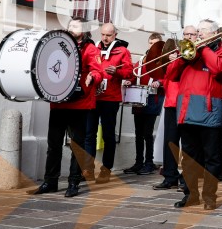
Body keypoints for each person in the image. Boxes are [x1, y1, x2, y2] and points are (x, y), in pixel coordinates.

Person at [167, 19, 222, 210]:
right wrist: (181, 57)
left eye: (203, 31)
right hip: (187, 111)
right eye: (198, 31)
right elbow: (171, 75)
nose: (199, 34)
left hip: (210, 112)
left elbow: (219, 68)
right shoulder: (190, 51)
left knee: (212, 158)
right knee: (189, 158)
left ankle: (209, 196)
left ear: (214, 33)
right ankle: (190, 195)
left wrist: (203, 48)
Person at [30, 17, 102, 197]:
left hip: (79, 103)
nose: (71, 28)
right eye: (70, 25)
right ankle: (50, 181)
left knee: (77, 145)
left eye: (75, 26)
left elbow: (98, 70)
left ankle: (73, 182)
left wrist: (92, 76)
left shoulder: (90, 48)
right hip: (59, 103)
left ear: (84, 30)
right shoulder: (58, 43)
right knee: (53, 144)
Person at [84, 22, 132, 184]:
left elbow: (129, 73)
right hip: (93, 97)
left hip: (110, 99)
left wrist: (117, 72)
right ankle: (88, 169)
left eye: (108, 35)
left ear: (115, 35)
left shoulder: (122, 51)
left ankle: (106, 169)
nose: (105, 38)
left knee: (108, 135)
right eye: (103, 34)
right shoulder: (94, 48)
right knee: (89, 134)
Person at [154, 27, 195, 191]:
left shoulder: (197, 54)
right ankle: (170, 176)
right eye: (186, 34)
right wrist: (174, 60)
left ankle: (186, 178)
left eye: (192, 34)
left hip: (187, 102)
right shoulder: (175, 54)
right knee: (170, 141)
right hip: (172, 101)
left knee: (188, 143)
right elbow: (169, 75)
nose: (189, 36)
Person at [124, 33, 165, 175]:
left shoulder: (163, 60)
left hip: (153, 99)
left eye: (156, 43)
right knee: (138, 133)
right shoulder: (142, 59)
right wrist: (129, 80)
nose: (153, 46)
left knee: (147, 132)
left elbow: (167, 77)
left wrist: (159, 82)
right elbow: (134, 74)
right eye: (151, 43)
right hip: (138, 99)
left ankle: (149, 162)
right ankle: (139, 162)